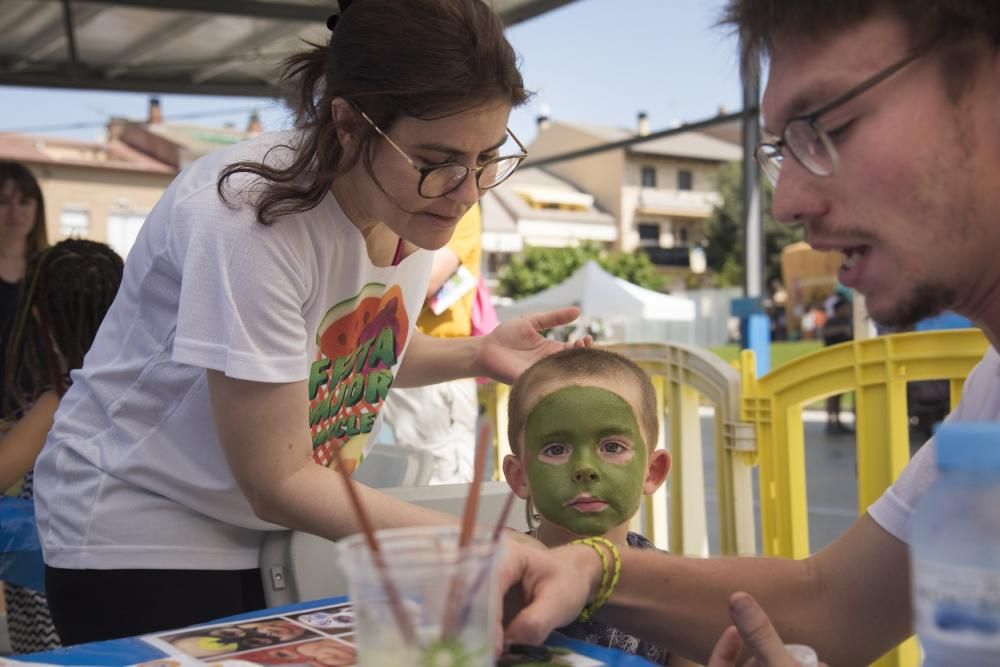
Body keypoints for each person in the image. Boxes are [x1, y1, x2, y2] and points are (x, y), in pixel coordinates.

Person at [31, 0, 588, 646]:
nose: (467, 193)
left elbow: (344, 351)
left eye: (488, 156)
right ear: (349, 124)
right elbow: (279, 477)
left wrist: (477, 353)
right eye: (439, 160)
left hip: (262, 535)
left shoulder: (413, 199)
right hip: (138, 528)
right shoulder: (249, 216)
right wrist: (468, 545)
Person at [499, 1, 1000, 665]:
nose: (787, 200)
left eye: (830, 126)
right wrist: (590, 568)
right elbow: (834, 602)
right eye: (782, 149)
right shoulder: (990, 390)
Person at [502, 347, 700, 666]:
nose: (585, 468)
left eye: (611, 446)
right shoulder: (503, 579)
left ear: (653, 471)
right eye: (556, 449)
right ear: (519, 476)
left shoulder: (675, 591)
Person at [0, 240, 123, 654]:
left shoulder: (62, 399)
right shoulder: (133, 391)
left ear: (41, 317)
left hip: (55, 583)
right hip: (118, 575)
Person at [380, 204, 484, 484]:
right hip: (392, 354)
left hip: (437, 362)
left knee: (440, 475)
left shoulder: (462, 206)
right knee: (412, 473)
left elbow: (426, 281)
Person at [0, 161, 49, 418]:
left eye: (24, 202)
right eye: (4, 201)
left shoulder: (51, 270)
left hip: (38, 416)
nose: (14, 212)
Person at [821, 296, 853, 434]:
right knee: (833, 395)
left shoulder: (849, 321)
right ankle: (831, 422)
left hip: (846, 363)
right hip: (833, 364)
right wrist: (842, 330)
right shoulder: (831, 322)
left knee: (840, 395)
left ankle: (838, 422)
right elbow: (825, 333)